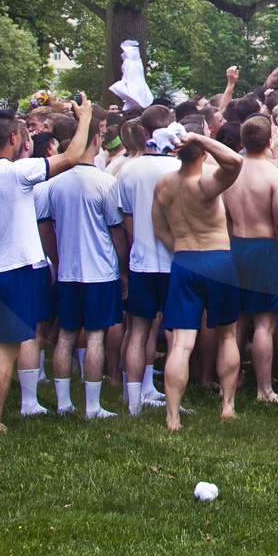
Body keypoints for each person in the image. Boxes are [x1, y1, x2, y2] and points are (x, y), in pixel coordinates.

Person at [0, 103, 94, 433]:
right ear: (14, 138)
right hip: (15, 271)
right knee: (6, 351)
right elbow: (72, 157)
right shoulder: (17, 173)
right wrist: (86, 117)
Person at [151, 123, 245, 431]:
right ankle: (227, 405)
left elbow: (160, 230)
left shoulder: (164, 184)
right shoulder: (205, 185)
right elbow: (236, 162)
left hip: (185, 260)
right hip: (217, 259)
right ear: (203, 153)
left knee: (181, 343)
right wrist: (200, 137)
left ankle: (172, 415)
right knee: (227, 335)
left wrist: (182, 251)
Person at [42, 113, 126, 419]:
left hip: (68, 271)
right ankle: (92, 406)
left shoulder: (55, 183)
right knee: (94, 337)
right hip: (100, 271)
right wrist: (124, 269)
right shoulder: (106, 183)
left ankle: (64, 402)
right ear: (94, 138)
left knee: (65, 334)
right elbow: (116, 232)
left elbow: (47, 227)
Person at [108, 104, 181, 415]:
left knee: (139, 329)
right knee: (177, 333)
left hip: (141, 262)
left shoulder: (128, 170)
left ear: (143, 132)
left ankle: (136, 398)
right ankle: (171, 404)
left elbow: (125, 220)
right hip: (176, 261)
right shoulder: (178, 168)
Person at [226, 114, 278, 404]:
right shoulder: (274, 176)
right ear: (268, 142)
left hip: (235, 244)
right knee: (264, 323)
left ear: (242, 141)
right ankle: (263, 389)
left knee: (238, 320)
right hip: (264, 248)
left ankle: (235, 377)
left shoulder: (229, 173)